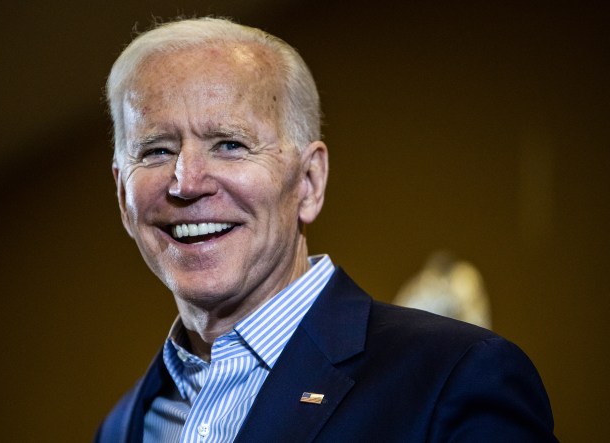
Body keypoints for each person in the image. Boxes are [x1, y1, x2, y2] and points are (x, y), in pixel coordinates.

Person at [96, 17, 557, 443]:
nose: (187, 182)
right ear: (122, 194)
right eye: (156, 151)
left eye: (230, 145)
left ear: (310, 182)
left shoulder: (454, 377)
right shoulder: (122, 426)